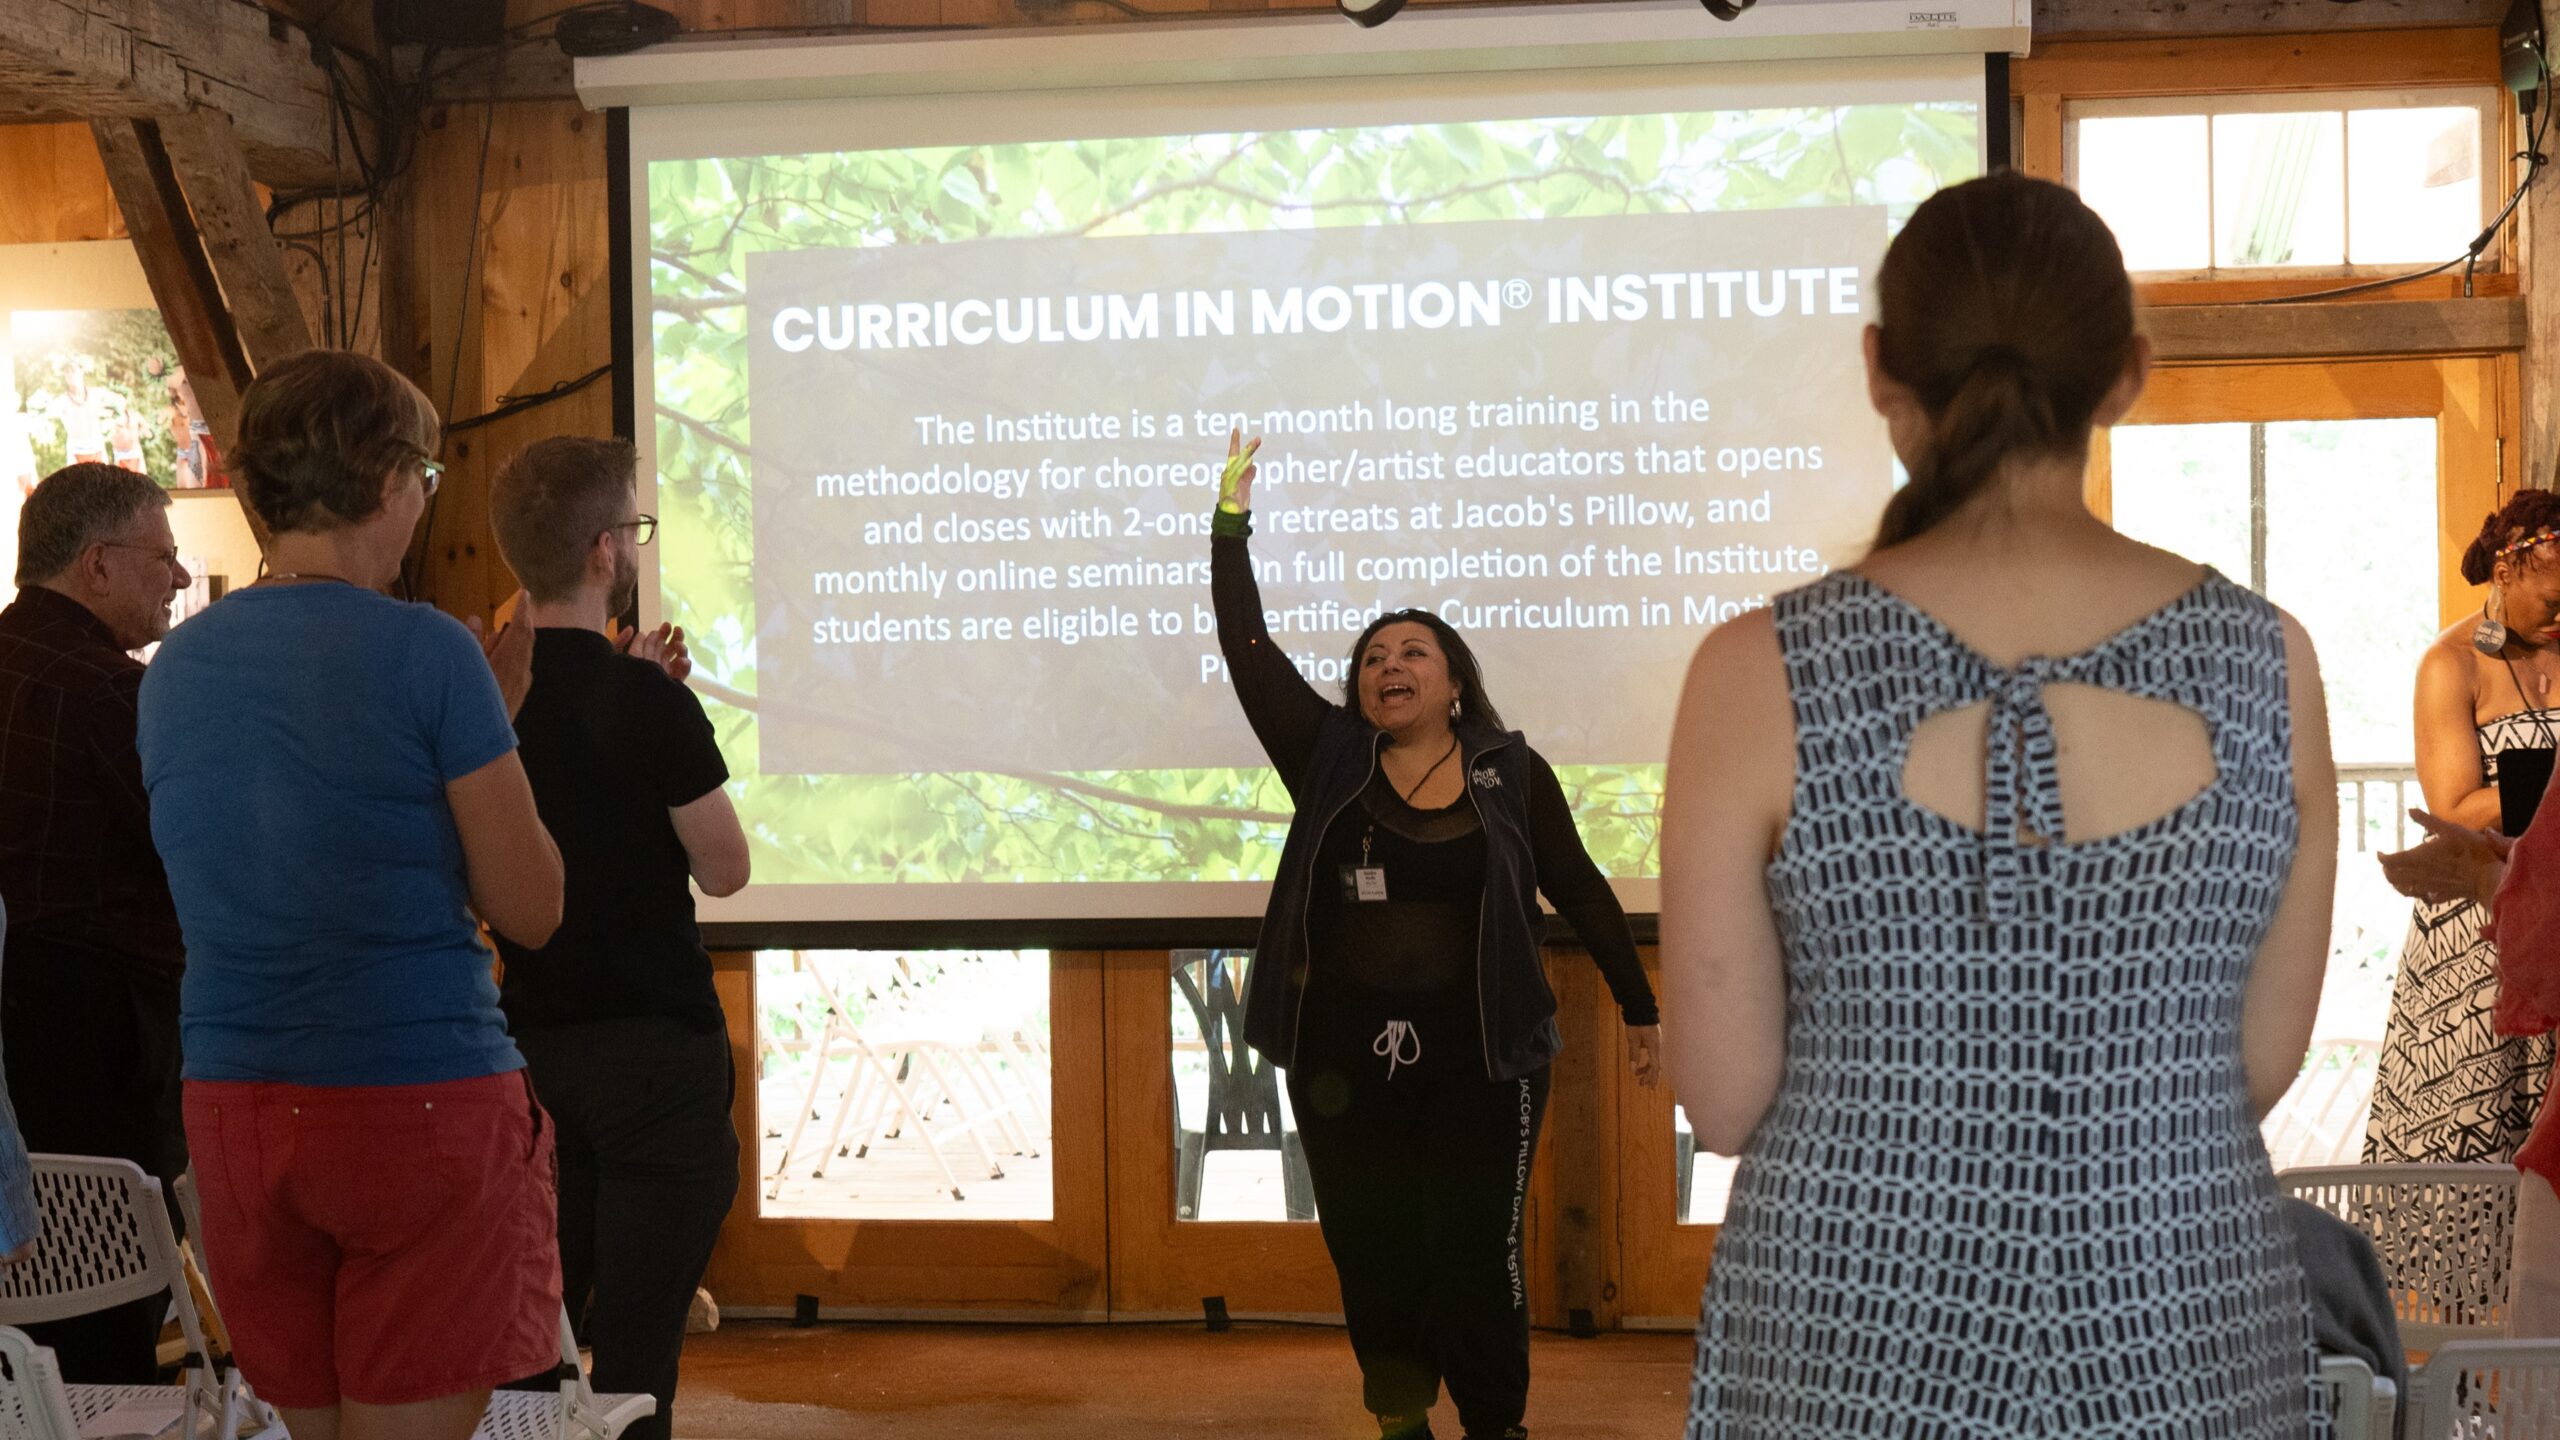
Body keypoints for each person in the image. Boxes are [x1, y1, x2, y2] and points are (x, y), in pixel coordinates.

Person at [1661, 172, 2336, 1437]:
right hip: (2177, 1301)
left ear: (1880, 368)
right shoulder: (2267, 663)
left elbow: (1730, 1095)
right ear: (2124, 374)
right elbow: (2250, 1064)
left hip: (1856, 1318)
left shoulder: (1754, 673)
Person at [136, 349, 566, 1440]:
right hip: (414, 1094)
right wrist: (492, 722)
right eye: (427, 472)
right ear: (386, 482)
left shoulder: (176, 668)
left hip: (233, 1102)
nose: (427, 496)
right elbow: (533, 906)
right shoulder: (428, 650)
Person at [1209, 430, 1662, 1440]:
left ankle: (1496, 1426)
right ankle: (1400, 1419)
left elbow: (1580, 888)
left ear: (1455, 680)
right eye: (1372, 656)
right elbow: (1249, 652)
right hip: (1341, 1064)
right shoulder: (1325, 757)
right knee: (1373, 1253)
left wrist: (1640, 1008)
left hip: (1485, 1064)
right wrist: (1229, 528)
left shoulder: (1510, 772)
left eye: (1413, 651)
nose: (1389, 665)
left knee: (1476, 1255)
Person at [488, 435, 749, 1440]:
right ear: (604, 553)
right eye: (633, 529)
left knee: (531, 1357)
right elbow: (723, 870)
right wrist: (662, 708)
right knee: (637, 1369)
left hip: (530, 1051)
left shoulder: (479, 691)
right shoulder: (644, 697)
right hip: (651, 1057)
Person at [0, 462, 190, 1380]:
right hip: (94, 1031)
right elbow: (188, 852)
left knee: (27, 1320)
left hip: (19, 1021)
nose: (181, 579)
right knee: (106, 1308)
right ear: (99, 564)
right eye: (165, 557)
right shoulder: (111, 690)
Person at [2365, 491, 2560, 1165]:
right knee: (2475, 1145)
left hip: (2555, 916)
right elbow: (2453, 807)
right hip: (2476, 926)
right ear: (2504, 577)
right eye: (2553, 603)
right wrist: (2549, 783)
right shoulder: (2452, 663)